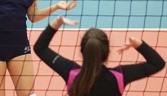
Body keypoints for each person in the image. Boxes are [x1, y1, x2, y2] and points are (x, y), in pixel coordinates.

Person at [34, 16, 166, 96]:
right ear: (107, 52)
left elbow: (40, 48)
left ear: (82, 51)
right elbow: (157, 63)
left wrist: (56, 23)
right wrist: (138, 44)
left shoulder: (71, 73)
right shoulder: (119, 76)